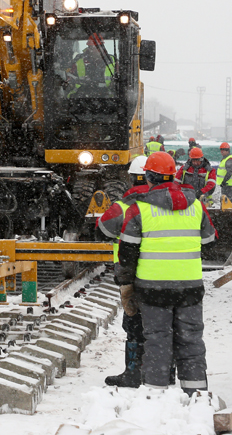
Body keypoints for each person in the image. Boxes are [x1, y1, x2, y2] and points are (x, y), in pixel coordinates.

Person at [117, 151, 216, 395]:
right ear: (174, 175)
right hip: (190, 288)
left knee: (158, 340)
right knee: (191, 339)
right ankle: (197, 396)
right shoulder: (196, 206)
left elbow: (127, 254)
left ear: (149, 177)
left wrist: (126, 283)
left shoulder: (139, 209)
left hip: (152, 289)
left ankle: (156, 395)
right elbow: (210, 240)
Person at [98, 156, 149, 387]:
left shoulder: (124, 206)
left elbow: (103, 229)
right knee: (161, 326)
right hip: (163, 276)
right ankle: (163, 372)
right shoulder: (166, 206)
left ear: (132, 178)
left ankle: (133, 372)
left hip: (130, 274)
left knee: (134, 324)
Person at [66, 33, 115, 99]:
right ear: (88, 48)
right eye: (92, 47)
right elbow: (69, 78)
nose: (95, 50)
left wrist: (113, 85)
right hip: (79, 97)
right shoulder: (79, 60)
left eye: (97, 47)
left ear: (102, 47)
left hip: (109, 98)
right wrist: (79, 82)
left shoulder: (112, 61)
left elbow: (120, 80)